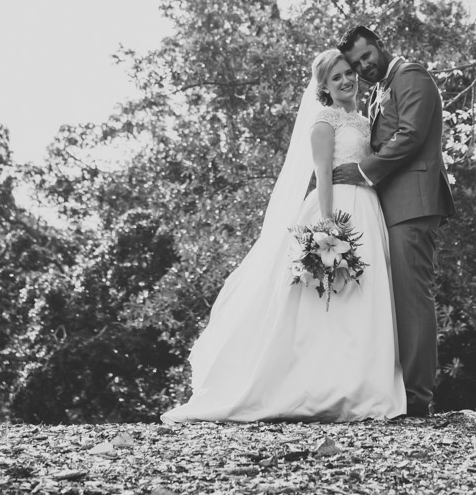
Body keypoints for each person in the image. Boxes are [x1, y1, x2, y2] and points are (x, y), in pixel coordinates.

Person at [161, 48, 406, 423]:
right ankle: (318, 384)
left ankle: (362, 382)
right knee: (326, 301)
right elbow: (322, 176)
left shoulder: (363, 120)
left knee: (364, 295)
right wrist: (329, 227)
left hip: (368, 211)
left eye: (348, 72)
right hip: (337, 211)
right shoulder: (324, 122)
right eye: (336, 77)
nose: (346, 80)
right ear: (324, 87)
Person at [337, 25, 455, 420]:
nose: (363, 67)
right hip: (390, 206)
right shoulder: (379, 91)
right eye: (356, 64)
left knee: (411, 296)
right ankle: (399, 391)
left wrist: (362, 171)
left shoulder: (411, 75)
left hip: (413, 203)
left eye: (366, 56)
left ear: (380, 45)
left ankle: (417, 397)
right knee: (394, 299)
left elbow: (411, 135)